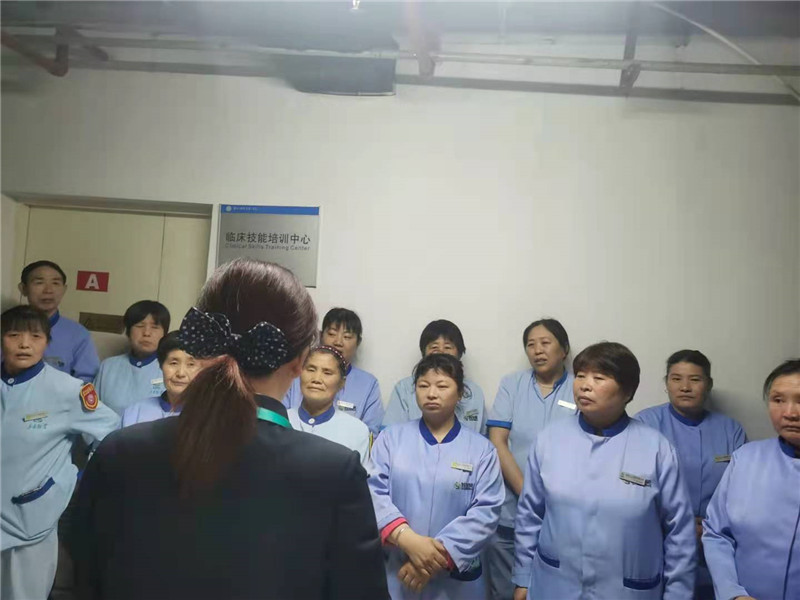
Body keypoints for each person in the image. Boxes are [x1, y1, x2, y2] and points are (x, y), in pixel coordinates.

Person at [72, 258, 388, 600]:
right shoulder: (334, 473)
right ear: (300, 361)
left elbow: (84, 576)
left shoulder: (120, 451)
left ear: (200, 344)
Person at [512, 341, 696, 600]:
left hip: (626, 590)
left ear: (627, 391)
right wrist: (523, 577)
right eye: (580, 376)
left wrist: (678, 594)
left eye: (599, 378)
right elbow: (529, 515)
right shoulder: (550, 440)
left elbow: (680, 534)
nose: (585, 385)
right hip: (555, 584)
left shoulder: (657, 449)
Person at [1, 305, 120, 600]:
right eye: (14, 335)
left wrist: (74, 477)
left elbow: (110, 431)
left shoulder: (67, 390)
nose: (24, 344)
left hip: (29, 517)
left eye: (35, 336)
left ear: (47, 342)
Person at [369, 353, 504, 599]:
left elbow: (486, 512)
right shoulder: (390, 440)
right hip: (398, 570)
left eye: (442, 386)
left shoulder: (482, 450)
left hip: (455, 582)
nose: (431, 394)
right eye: (423, 386)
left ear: (460, 393)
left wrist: (430, 561)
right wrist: (407, 540)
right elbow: (373, 493)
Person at [635, 349, 746, 599]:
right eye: (676, 379)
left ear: (709, 384)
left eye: (695, 379)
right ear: (666, 383)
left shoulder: (731, 430)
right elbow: (634, 487)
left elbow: (742, 490)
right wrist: (683, 525)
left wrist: (709, 527)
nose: (685, 387)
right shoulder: (645, 424)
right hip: (661, 541)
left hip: (715, 542)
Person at [485, 318, 576, 600]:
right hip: (511, 510)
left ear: (564, 349)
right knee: (506, 591)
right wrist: (527, 493)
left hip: (562, 512)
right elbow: (498, 441)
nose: (537, 350)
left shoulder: (579, 387)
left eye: (545, 343)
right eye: (531, 344)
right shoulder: (512, 385)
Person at [703, 358, 800, 600]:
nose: (790, 413)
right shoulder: (745, 458)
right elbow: (716, 534)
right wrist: (732, 593)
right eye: (778, 400)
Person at [283, 308, 384, 434]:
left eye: (347, 337)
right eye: (331, 334)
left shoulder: (368, 384)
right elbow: (278, 418)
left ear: (358, 342)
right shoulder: (295, 374)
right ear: (321, 336)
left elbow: (370, 433)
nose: (338, 342)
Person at [383, 320, 487, 433]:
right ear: (424, 353)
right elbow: (389, 434)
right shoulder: (404, 388)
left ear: (459, 353)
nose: (441, 352)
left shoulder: (474, 391)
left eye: (447, 347)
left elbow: (483, 436)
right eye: (434, 347)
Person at [287, 345, 371, 466]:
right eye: (311, 369)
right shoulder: (281, 421)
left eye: (327, 372)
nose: (316, 379)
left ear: (342, 382)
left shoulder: (356, 431)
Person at [18, 260, 99, 383]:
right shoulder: (5, 328)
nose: (48, 290)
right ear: (23, 288)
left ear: (64, 289)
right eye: (39, 283)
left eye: (55, 283)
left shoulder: (78, 334)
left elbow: (88, 380)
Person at [93, 300, 170, 415]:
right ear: (128, 332)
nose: (146, 333)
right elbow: (92, 410)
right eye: (140, 326)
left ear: (165, 334)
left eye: (154, 327)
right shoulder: (108, 366)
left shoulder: (171, 369)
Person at [121, 332, 200, 427]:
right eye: (174, 363)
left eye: (191, 364)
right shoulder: (135, 412)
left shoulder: (211, 416)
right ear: (161, 365)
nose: (181, 373)